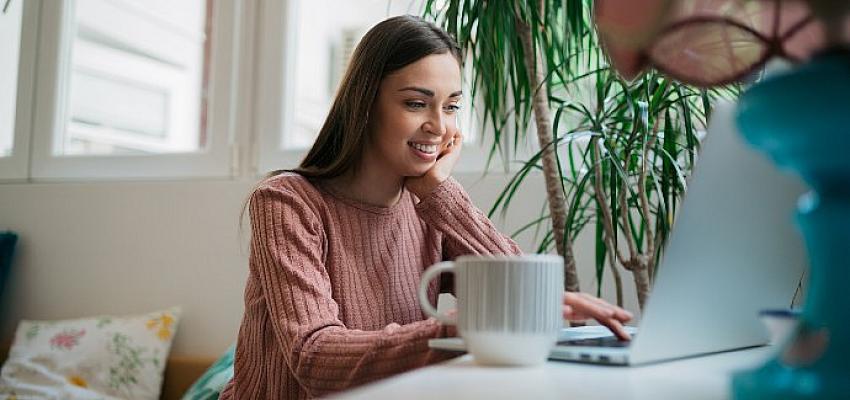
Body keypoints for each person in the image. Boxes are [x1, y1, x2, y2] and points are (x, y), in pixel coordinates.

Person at [219, 15, 632, 400]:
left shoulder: (431, 208)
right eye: (417, 103)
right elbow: (314, 356)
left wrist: (439, 190)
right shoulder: (287, 201)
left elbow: (517, 293)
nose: (439, 126)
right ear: (364, 104)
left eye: (451, 106)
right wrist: (466, 328)